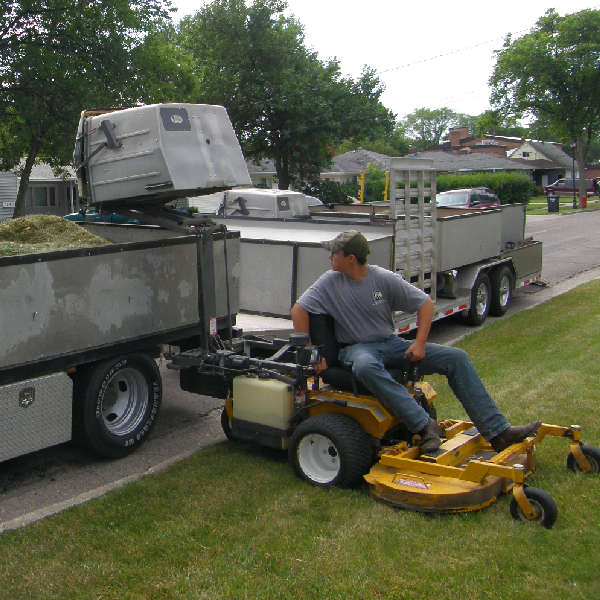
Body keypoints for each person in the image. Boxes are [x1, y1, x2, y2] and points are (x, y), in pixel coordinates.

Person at [290, 230, 541, 453]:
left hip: (390, 343)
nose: (329, 258)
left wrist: (419, 343)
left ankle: (499, 432)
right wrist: (312, 350)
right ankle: (424, 425)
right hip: (356, 349)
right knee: (365, 366)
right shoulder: (329, 281)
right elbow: (298, 310)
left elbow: (425, 304)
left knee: (457, 358)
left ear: (350, 258)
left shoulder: (382, 279)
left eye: (333, 253)